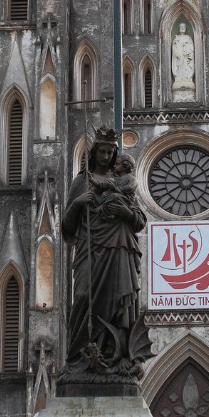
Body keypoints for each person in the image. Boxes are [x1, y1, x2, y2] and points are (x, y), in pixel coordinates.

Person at [62, 129, 153, 378]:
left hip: (119, 249)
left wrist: (124, 213)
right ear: (94, 153)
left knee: (117, 305)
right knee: (82, 297)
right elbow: (66, 227)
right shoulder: (82, 181)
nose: (105, 156)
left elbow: (139, 220)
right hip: (89, 248)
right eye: (101, 151)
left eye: (110, 152)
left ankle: (114, 356)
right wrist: (79, 203)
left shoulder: (122, 181)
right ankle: (77, 361)